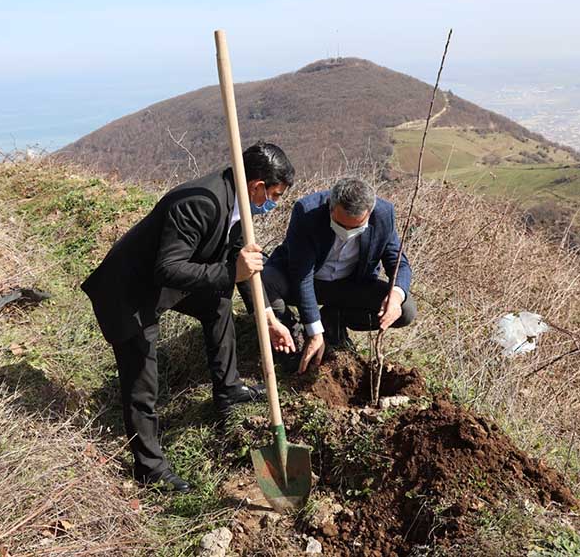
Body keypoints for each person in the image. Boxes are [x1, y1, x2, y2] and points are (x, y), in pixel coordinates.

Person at [81, 142, 296, 492]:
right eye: (273, 194)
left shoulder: (238, 204)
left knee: (217, 304)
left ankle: (229, 391)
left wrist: (267, 317)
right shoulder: (201, 203)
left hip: (165, 284)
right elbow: (168, 268)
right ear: (257, 186)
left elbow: (243, 265)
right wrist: (231, 273)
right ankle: (148, 468)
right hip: (129, 292)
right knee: (141, 381)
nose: (274, 203)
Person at [262, 177, 417, 374]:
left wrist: (395, 297)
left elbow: (398, 263)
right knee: (265, 281)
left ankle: (335, 318)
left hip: (349, 285)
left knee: (406, 310)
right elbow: (302, 275)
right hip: (303, 280)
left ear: (369, 213)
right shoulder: (307, 212)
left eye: (356, 227)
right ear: (330, 207)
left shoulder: (383, 215)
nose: (347, 232)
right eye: (341, 224)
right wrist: (313, 331)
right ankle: (292, 336)